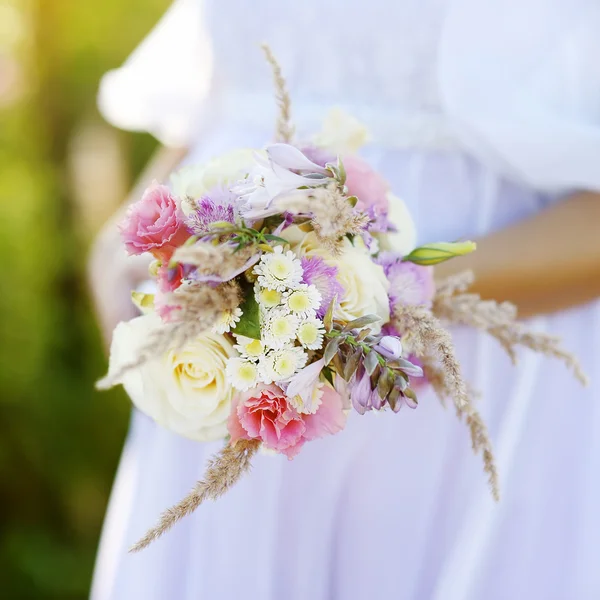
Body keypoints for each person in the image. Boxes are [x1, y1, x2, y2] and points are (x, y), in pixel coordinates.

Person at [88, 1, 600, 598]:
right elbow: (224, 92)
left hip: (458, 395)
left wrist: (377, 291)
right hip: (227, 375)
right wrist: (120, 246)